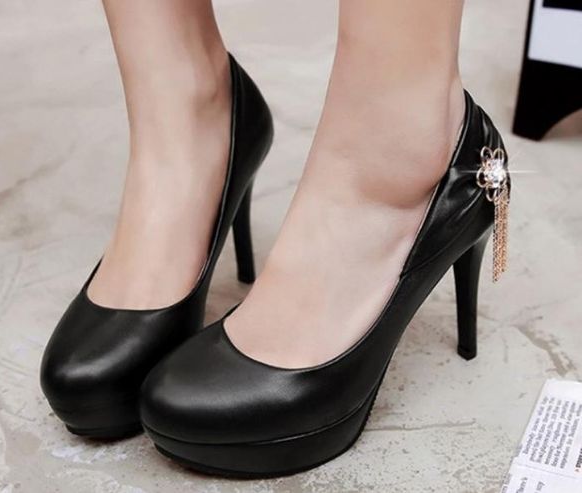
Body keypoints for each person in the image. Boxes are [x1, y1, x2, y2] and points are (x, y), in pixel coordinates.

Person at [41, 0, 510, 477]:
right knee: (167, 65)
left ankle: (395, 156)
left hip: (412, 161)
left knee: (392, 89)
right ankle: (184, 111)